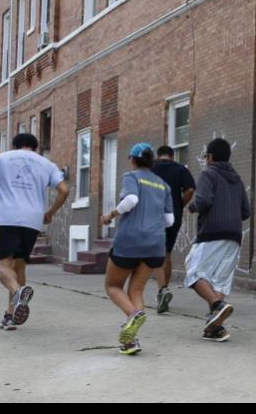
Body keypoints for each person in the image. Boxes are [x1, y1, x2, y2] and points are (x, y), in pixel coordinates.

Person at [0, 133, 70, 331]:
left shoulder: (2, 158)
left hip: (6, 217)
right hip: (32, 220)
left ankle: (18, 291)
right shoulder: (47, 164)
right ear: (36, 147)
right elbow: (64, 190)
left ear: (15, 145)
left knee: (2, 266)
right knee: (19, 267)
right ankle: (11, 314)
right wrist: (50, 212)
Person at [100, 143, 173, 355]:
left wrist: (110, 215)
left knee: (113, 286)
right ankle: (130, 341)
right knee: (136, 290)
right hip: (155, 245)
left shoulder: (131, 177)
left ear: (132, 160)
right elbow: (170, 220)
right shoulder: (163, 185)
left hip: (130, 242)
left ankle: (133, 315)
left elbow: (131, 200)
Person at [184, 138, 251, 342]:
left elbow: (203, 201)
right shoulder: (237, 179)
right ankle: (215, 327)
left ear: (211, 157)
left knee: (193, 273)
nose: (205, 160)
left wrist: (193, 207)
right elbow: (246, 212)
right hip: (234, 235)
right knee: (219, 281)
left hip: (212, 232)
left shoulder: (208, 174)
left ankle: (217, 305)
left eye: (206, 156)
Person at [151, 145, 196, 314]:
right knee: (166, 253)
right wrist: (179, 204)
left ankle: (162, 290)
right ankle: (164, 290)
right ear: (172, 156)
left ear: (158, 155)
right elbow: (190, 189)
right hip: (173, 216)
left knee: (156, 253)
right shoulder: (180, 169)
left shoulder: (151, 167)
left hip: (152, 215)